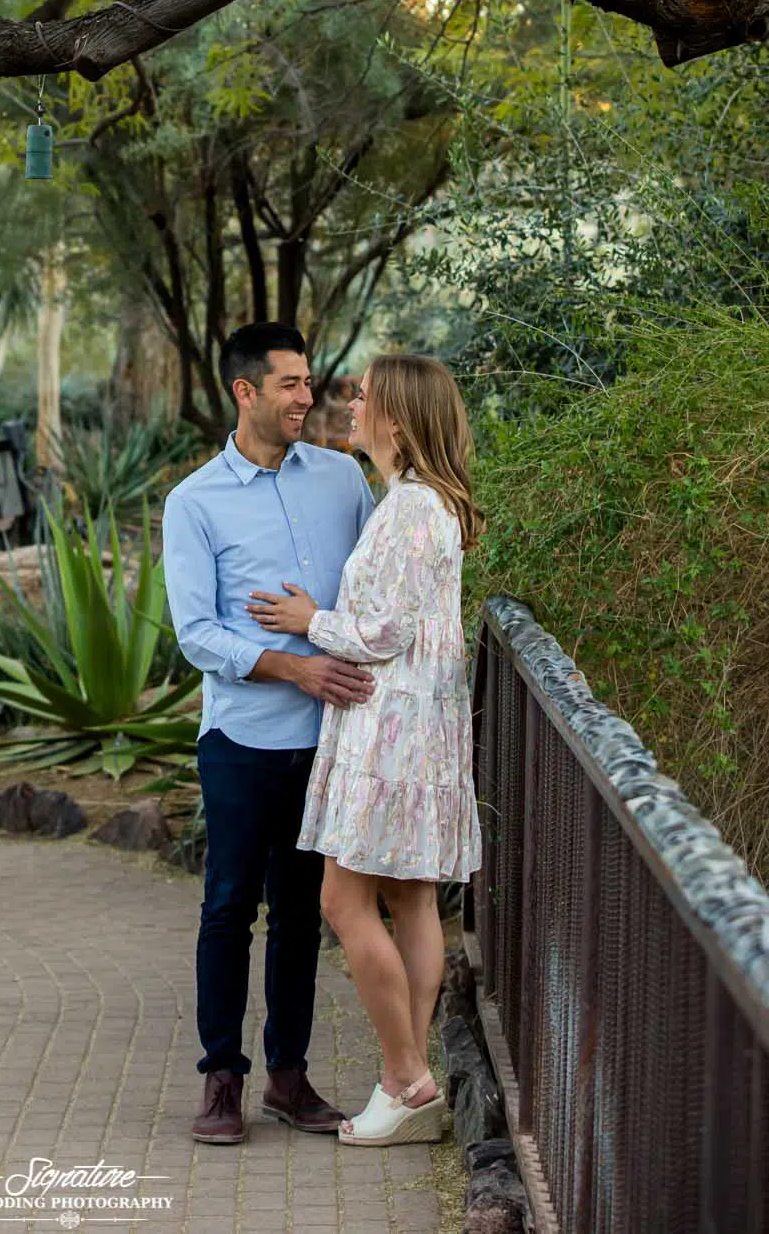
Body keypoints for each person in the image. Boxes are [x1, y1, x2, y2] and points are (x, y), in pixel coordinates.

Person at [247, 354, 482, 1147]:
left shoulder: (412, 508)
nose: (350, 404)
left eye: (366, 396)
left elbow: (382, 633)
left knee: (343, 903)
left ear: (400, 420)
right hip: (411, 729)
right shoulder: (418, 501)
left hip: (392, 735)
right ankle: (404, 1083)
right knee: (410, 899)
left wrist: (307, 620)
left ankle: (407, 1080)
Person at [162, 323, 377, 1147]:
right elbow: (196, 634)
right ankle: (222, 1079)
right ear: (244, 391)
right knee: (227, 909)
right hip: (243, 741)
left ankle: (289, 1078)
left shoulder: (342, 478)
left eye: (308, 381)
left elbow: (371, 591)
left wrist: (331, 648)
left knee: (299, 913)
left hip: (331, 740)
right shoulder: (194, 503)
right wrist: (296, 669)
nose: (306, 397)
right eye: (290, 384)